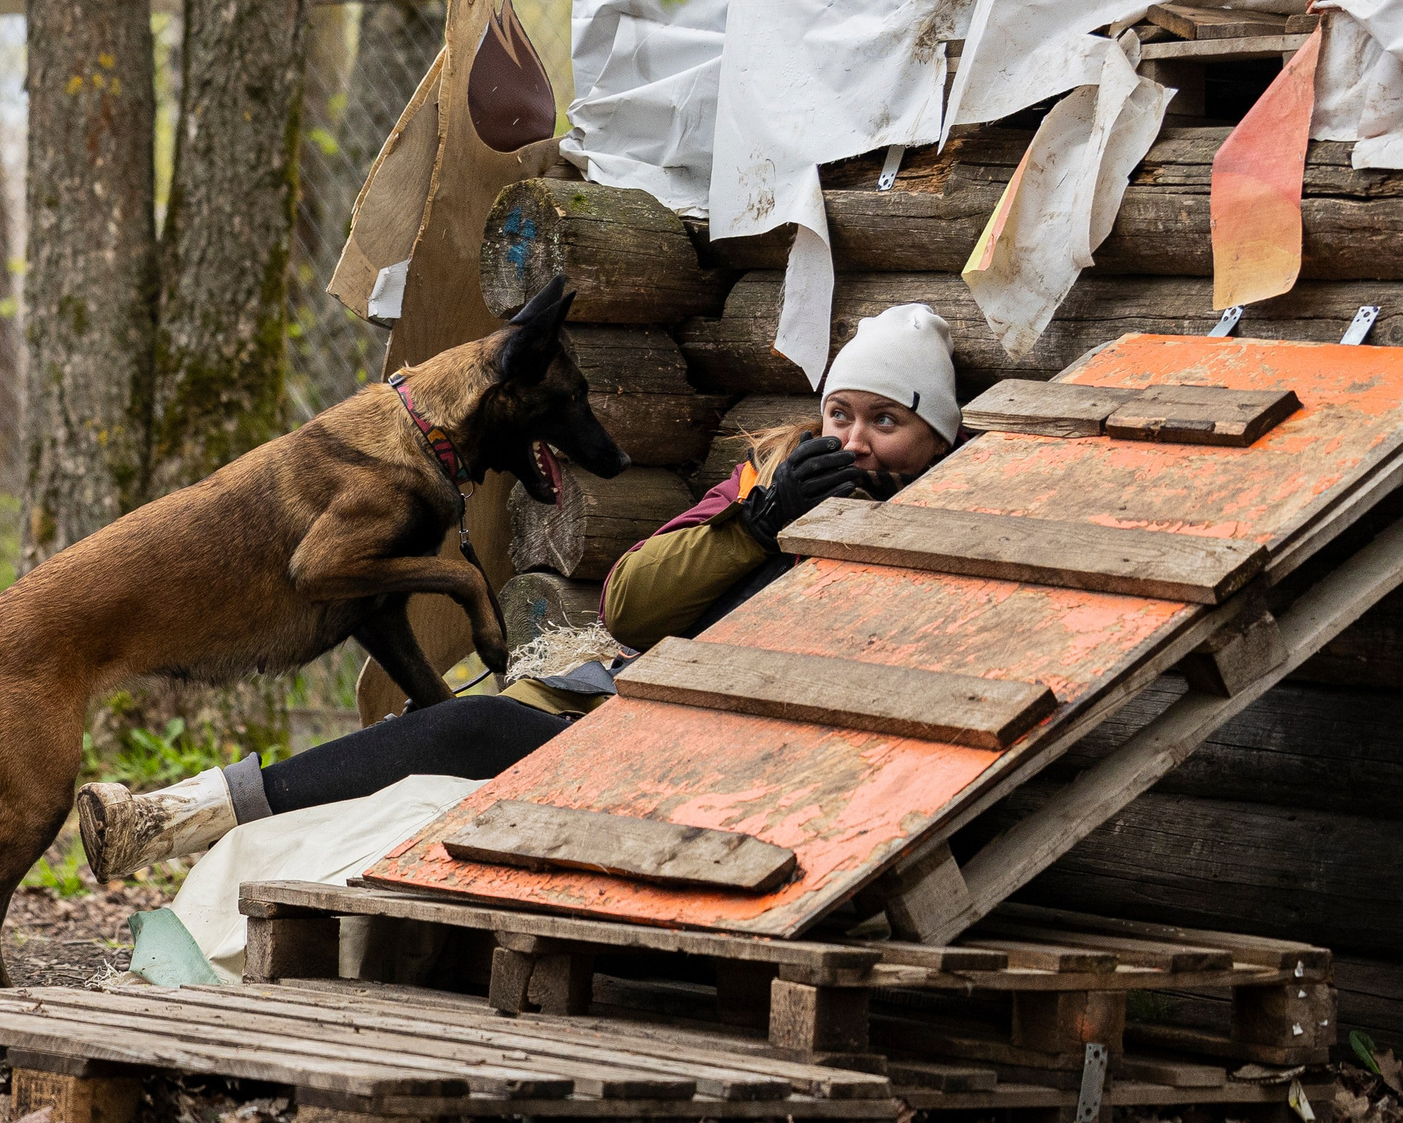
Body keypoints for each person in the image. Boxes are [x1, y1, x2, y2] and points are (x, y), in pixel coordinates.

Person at [74, 303, 965, 886]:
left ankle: (190, 812)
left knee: (473, 728)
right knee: (458, 722)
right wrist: (760, 521)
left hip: (735, 759)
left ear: (937, 436)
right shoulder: (769, 476)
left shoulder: (951, 527)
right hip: (641, 707)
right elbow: (632, 604)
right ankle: (179, 817)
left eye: (886, 422)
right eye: (839, 414)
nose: (852, 442)